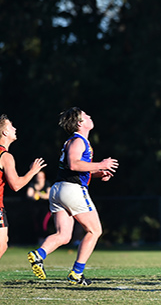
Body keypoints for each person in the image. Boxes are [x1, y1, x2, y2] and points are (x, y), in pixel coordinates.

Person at [28, 107, 119, 286]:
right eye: (86, 115)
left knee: (63, 235)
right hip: (72, 190)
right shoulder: (79, 141)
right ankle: (76, 273)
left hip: (59, 189)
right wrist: (101, 164)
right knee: (95, 231)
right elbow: (74, 164)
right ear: (80, 123)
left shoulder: (75, 141)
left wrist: (99, 173)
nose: (90, 116)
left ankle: (39, 255)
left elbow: (76, 169)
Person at [0, 115, 46, 269]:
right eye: (11, 127)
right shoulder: (5, 156)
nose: (15, 129)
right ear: (4, 133)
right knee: (1, 245)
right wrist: (32, 172)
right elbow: (16, 185)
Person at [26, 171, 52, 245]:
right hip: (35, 208)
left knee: (43, 224)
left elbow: (49, 195)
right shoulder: (32, 185)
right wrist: (33, 196)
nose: (40, 178)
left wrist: (40, 195)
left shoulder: (47, 184)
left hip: (45, 208)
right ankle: (39, 241)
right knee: (37, 224)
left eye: (41, 177)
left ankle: (45, 241)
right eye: (38, 177)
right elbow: (29, 194)